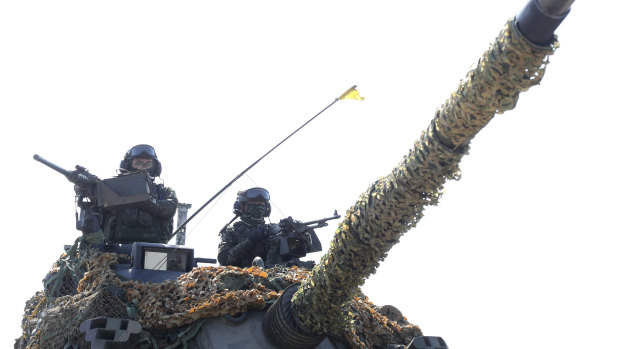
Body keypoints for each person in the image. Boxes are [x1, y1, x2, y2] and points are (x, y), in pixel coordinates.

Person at [72, 144, 178, 245]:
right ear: (128, 166)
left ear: (155, 168)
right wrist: (87, 186)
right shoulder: (113, 189)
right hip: (114, 251)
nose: (144, 168)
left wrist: (139, 198)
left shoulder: (164, 191)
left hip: (155, 251)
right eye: (138, 163)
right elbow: (96, 205)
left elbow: (169, 209)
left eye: (148, 164)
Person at [217, 187, 315, 268]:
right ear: (241, 206)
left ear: (267, 207)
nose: (258, 207)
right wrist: (251, 240)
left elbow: (300, 251)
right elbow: (224, 259)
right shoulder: (231, 232)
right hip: (245, 282)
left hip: (278, 279)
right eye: (253, 204)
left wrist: (298, 234)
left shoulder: (274, 229)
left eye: (261, 204)